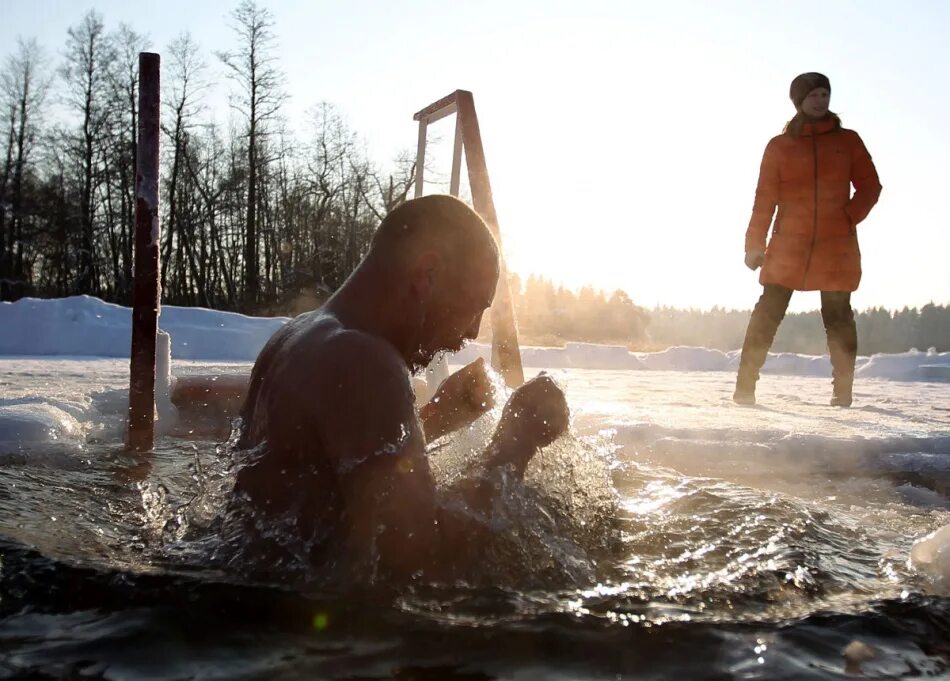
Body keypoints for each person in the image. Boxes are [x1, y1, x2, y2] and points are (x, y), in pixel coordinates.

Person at [231, 195, 570, 579]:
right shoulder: (362, 360)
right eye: (476, 306)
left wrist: (433, 421)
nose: (473, 331)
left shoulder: (297, 335)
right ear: (427, 273)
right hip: (315, 626)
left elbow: (328, 482)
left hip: (264, 600)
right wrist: (515, 440)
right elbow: (421, 564)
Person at [734, 72, 882, 407]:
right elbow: (764, 199)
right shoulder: (780, 146)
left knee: (839, 318)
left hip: (836, 247)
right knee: (767, 314)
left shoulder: (849, 142)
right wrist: (754, 244)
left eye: (824, 94)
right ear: (799, 101)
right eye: (813, 95)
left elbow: (871, 187)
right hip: (789, 244)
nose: (820, 100)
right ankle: (745, 388)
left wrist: (847, 217)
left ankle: (842, 393)